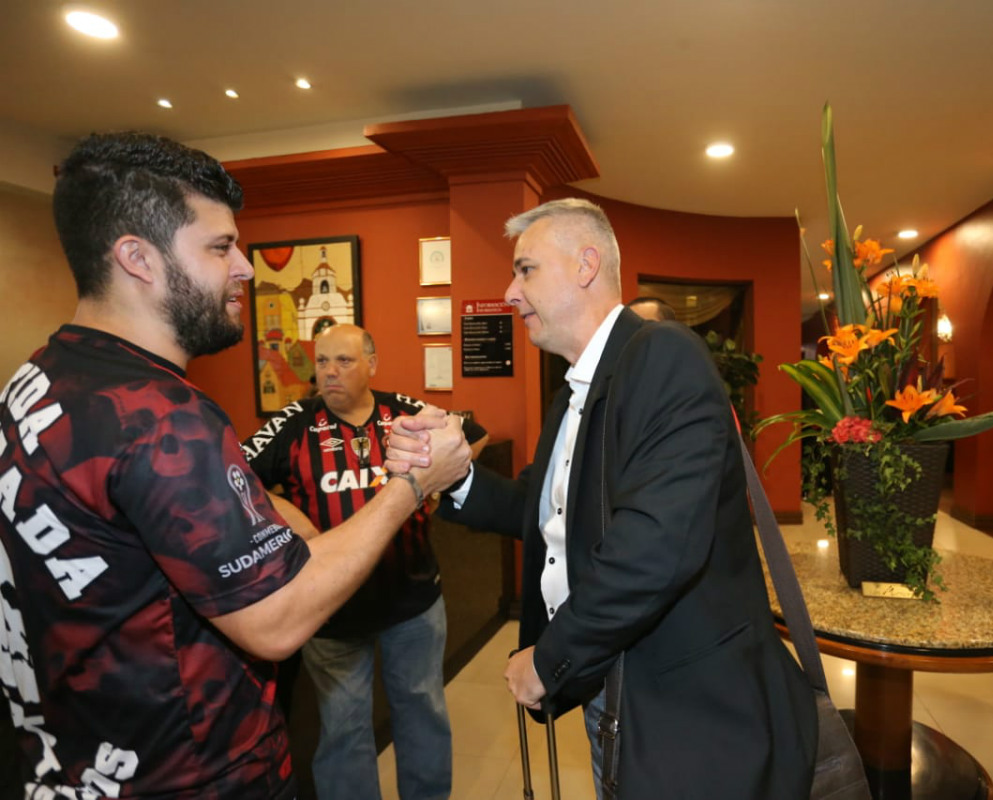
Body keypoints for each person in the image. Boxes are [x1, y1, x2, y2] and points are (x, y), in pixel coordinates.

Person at [0, 132, 470, 798]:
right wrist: (412, 486)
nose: (246, 267)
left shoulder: (40, 379)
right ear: (137, 259)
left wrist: (289, 528)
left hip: (74, 766)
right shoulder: (163, 419)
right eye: (221, 247)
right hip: (189, 774)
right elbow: (277, 620)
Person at [390, 198, 817, 799]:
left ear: (586, 265)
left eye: (526, 269)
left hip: (692, 712)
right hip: (617, 687)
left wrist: (547, 660)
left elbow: (657, 547)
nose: (509, 293)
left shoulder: (663, 354)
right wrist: (454, 473)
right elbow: (545, 514)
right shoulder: (574, 392)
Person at [242, 323, 488, 800]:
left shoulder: (406, 413)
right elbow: (238, 477)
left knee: (422, 711)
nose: (329, 373)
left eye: (344, 361)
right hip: (332, 610)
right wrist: (298, 523)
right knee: (344, 729)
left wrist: (438, 483)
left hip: (412, 600)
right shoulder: (295, 421)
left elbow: (473, 435)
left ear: (371, 364)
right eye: (322, 362)